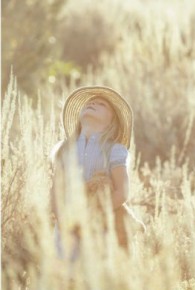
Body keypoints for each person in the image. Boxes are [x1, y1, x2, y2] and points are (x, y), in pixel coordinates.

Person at [50, 86, 145, 261]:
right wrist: (62, 219)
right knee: (64, 274)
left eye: (101, 104)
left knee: (93, 273)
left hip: (99, 225)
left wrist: (95, 214)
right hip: (67, 224)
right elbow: (56, 190)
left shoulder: (114, 149)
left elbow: (122, 191)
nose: (93, 103)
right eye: (89, 102)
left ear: (112, 121)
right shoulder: (66, 149)